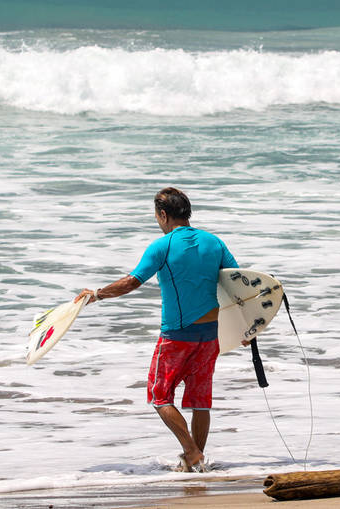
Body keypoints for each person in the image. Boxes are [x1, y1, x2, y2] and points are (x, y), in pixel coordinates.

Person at [76, 187, 238, 472]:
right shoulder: (214, 242)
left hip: (177, 336)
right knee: (200, 400)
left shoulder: (162, 246)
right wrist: (246, 329)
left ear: (163, 215)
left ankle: (192, 452)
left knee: (159, 396)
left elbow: (131, 282)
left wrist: (97, 294)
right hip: (210, 334)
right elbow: (238, 285)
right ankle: (194, 461)